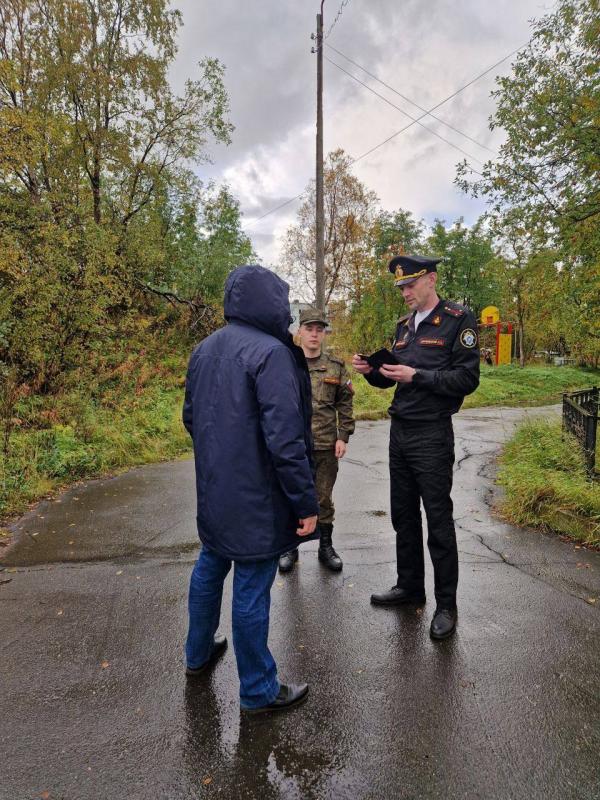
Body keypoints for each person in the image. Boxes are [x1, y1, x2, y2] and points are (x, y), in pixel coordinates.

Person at [182, 264, 319, 713]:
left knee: (210, 566)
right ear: (270, 303)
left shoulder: (204, 349)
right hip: (257, 497)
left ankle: (197, 654)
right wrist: (305, 502)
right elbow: (286, 440)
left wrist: (221, 455)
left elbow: (190, 418)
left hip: (215, 488)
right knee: (251, 584)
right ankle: (258, 690)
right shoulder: (272, 353)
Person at [352, 254, 480, 640]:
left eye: (410, 285)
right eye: (401, 287)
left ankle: (446, 604)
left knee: (438, 521)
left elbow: (467, 379)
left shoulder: (457, 319)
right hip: (400, 432)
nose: (404, 292)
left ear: (431, 280)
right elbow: (394, 379)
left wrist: (418, 375)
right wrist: (373, 372)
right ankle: (409, 587)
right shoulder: (403, 326)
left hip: (432, 433)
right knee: (403, 516)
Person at [279, 308, 355, 574]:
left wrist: (343, 436)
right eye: (309, 329)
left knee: (323, 498)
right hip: (293, 446)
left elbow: (345, 403)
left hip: (324, 444)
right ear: (299, 331)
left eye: (319, 330)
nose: (314, 334)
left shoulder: (335, 366)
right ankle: (290, 548)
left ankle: (326, 546)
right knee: (291, 495)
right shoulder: (286, 363)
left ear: (324, 334)